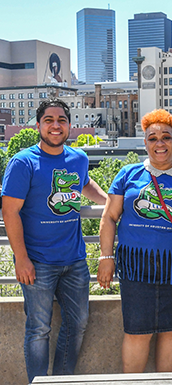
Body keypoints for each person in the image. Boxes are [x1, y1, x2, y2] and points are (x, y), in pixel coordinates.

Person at [97, 109, 172, 373]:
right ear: (144, 142)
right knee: (137, 331)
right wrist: (106, 257)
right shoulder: (127, 174)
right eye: (152, 138)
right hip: (135, 268)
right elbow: (109, 217)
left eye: (166, 137)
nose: (159, 144)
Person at [1, 98, 107, 383]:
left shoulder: (78, 158)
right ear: (38, 125)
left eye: (61, 120)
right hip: (37, 261)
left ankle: (61, 380)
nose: (55, 125)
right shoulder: (23, 162)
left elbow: (84, 183)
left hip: (74, 261)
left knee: (79, 324)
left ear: (69, 126)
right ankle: (38, 382)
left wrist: (110, 204)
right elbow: (10, 212)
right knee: (38, 329)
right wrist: (21, 259)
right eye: (49, 120)